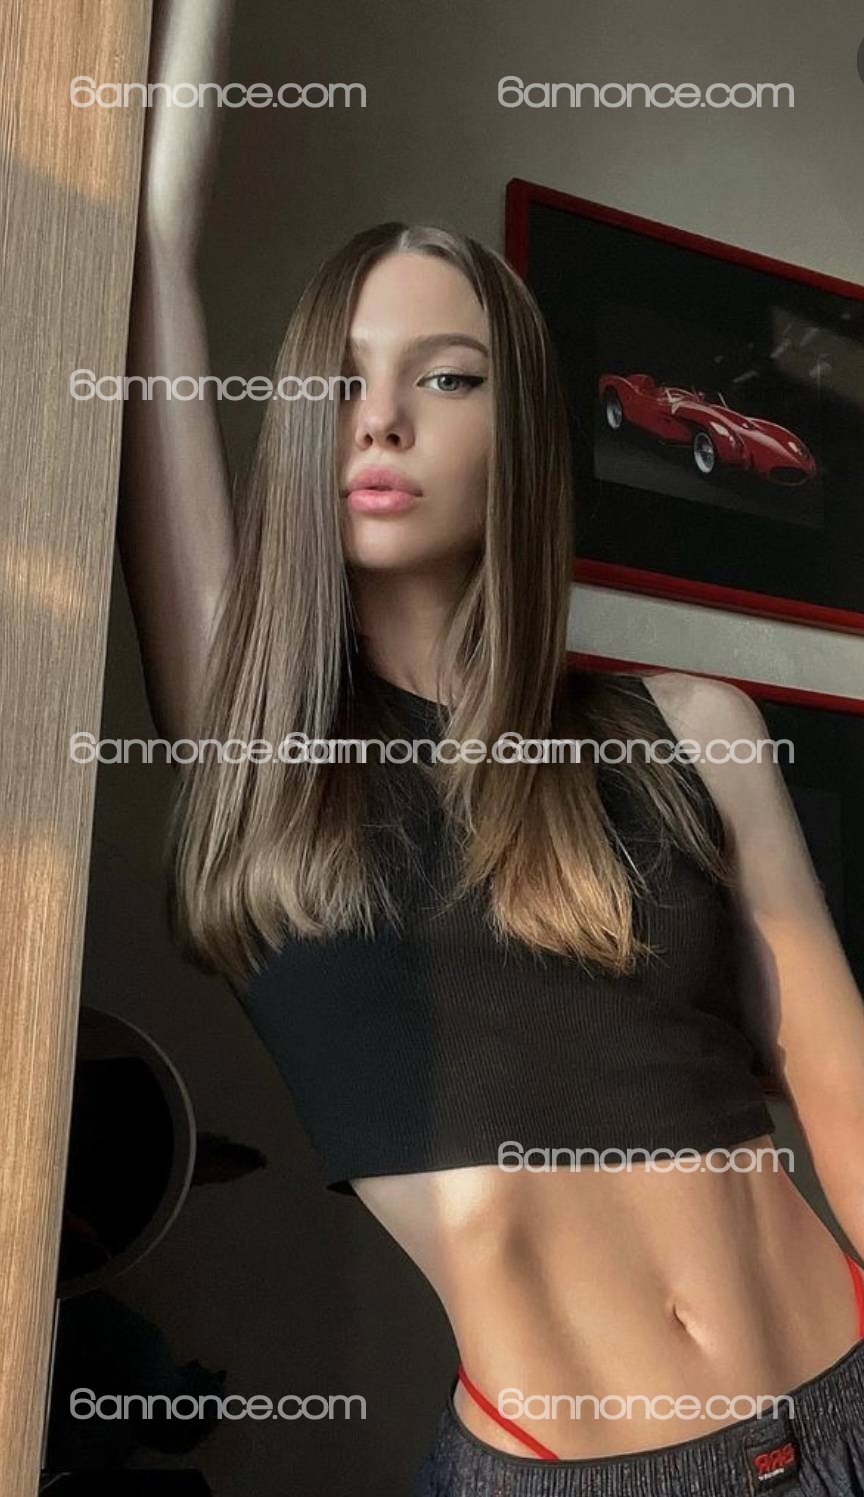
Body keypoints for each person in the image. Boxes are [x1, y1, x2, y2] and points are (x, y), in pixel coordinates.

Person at [118, 3, 864, 1492]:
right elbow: (147, 251)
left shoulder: (691, 728)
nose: (381, 420)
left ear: (516, 425)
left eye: (447, 377)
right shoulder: (265, 758)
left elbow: (842, 1086)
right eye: (339, 381)